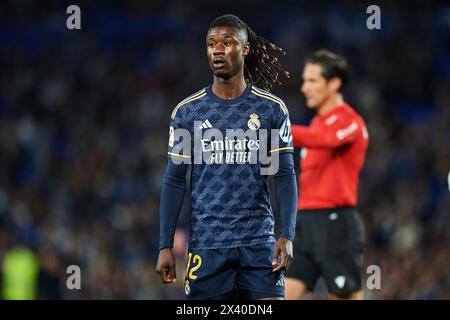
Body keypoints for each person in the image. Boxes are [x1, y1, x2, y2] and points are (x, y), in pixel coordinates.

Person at [155, 14, 298, 300]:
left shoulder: (271, 109)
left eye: (227, 42)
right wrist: (165, 245)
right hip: (208, 247)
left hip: (259, 244)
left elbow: (284, 175)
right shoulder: (187, 112)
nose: (217, 50)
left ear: (245, 49)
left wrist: (287, 235)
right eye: (211, 44)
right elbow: (174, 180)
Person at [285, 49, 369, 300]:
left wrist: (281, 129)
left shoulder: (350, 121)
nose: (304, 88)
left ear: (334, 84)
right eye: (304, 80)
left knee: (345, 296)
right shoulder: (315, 125)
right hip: (304, 223)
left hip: (335, 224)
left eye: (312, 81)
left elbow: (326, 139)